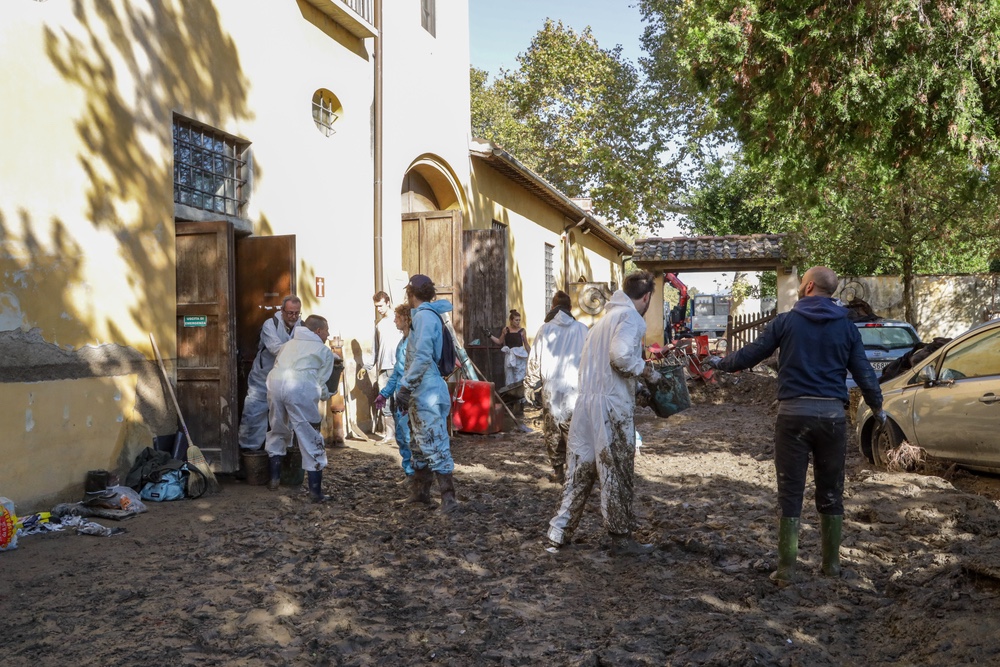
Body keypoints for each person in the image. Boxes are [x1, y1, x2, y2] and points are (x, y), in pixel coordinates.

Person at [706, 266, 884, 584]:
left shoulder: (786, 321)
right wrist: (878, 407)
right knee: (831, 491)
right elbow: (864, 373)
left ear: (809, 286)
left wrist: (722, 363)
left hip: (793, 419)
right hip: (832, 421)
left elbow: (752, 354)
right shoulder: (847, 327)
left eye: (802, 283)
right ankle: (832, 566)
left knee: (790, 492)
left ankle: (787, 569)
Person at [546, 271, 662, 556]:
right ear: (646, 297)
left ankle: (558, 533)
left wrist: (636, 391)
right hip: (610, 408)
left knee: (579, 471)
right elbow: (621, 357)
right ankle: (621, 539)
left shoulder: (601, 322)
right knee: (617, 470)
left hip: (586, 404)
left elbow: (601, 368)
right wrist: (646, 372)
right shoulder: (631, 318)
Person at [397, 274, 458, 512]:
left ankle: (449, 500)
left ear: (410, 293)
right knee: (420, 445)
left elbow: (422, 357)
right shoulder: (431, 315)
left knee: (435, 442)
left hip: (426, 391)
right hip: (426, 389)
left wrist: (405, 386)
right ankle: (421, 494)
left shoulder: (423, 317)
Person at [264, 315, 337, 503]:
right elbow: (321, 384)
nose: (328, 334)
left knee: (277, 428)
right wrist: (326, 393)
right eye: (327, 330)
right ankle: (315, 493)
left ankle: (274, 479)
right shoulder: (323, 350)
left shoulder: (288, 345)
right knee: (310, 435)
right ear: (318, 331)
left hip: (275, 382)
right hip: (300, 386)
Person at [524, 290, 588, 484]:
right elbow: (590, 360)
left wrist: (530, 385)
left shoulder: (545, 330)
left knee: (553, 432)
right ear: (570, 308)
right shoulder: (582, 329)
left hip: (551, 388)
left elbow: (534, 360)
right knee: (574, 430)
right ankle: (574, 471)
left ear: (552, 307)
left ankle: (558, 472)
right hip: (575, 388)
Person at [238, 295, 302, 451]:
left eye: (296, 313)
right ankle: (249, 452)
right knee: (254, 415)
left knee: (285, 418)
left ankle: (282, 455)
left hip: (285, 380)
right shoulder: (270, 325)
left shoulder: (302, 326)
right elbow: (276, 349)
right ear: (282, 311)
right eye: (290, 313)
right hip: (263, 378)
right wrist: (300, 351)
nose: (293, 316)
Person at [373, 303, 414, 480]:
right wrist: (385, 393)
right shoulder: (402, 343)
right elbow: (397, 372)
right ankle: (409, 474)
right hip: (399, 396)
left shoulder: (414, 343)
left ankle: (417, 476)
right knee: (401, 437)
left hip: (411, 397)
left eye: (398, 317)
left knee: (410, 438)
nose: (395, 320)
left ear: (406, 319)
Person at [367, 291, 403, 444]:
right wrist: (368, 365)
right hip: (383, 367)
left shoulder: (399, 321)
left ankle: (402, 434)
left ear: (388, 302)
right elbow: (375, 348)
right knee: (385, 401)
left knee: (400, 400)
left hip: (398, 366)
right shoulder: (379, 324)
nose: (379, 309)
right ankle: (389, 434)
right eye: (376, 306)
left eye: (381, 305)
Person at [489, 309, 530, 386]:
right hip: (510, 357)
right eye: (516, 320)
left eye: (519, 320)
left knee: (520, 377)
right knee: (509, 377)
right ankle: (509, 395)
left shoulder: (522, 331)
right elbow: (499, 341)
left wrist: (531, 355)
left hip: (519, 357)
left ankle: (519, 395)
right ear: (511, 320)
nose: (518, 322)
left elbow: (526, 344)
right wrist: (490, 336)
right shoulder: (506, 330)